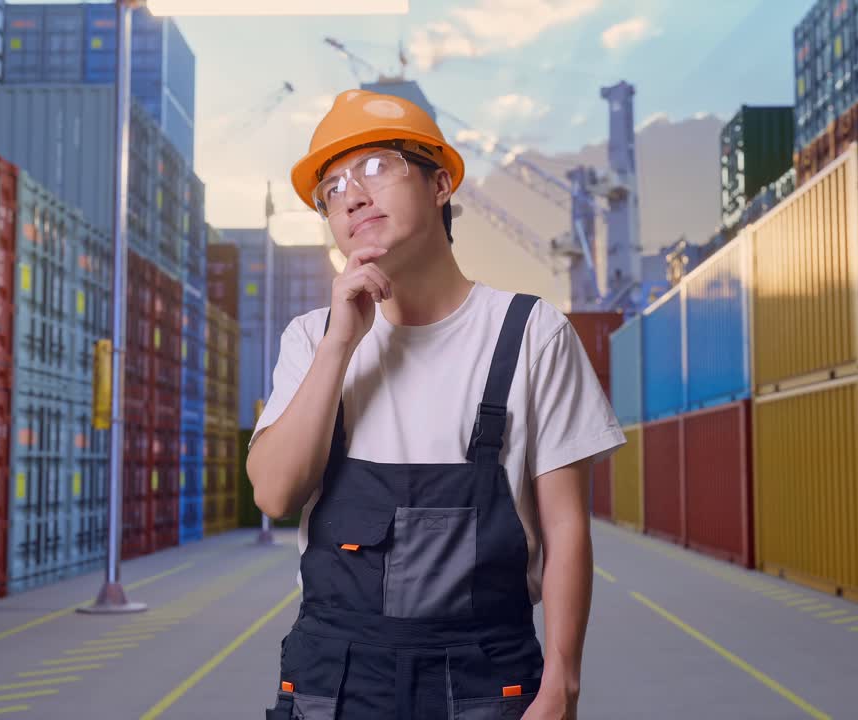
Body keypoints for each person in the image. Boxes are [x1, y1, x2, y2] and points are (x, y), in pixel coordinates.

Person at [248, 88, 626, 720]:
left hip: (487, 680)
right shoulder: (312, 338)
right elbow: (275, 495)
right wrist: (342, 343)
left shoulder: (531, 333)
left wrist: (561, 687)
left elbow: (565, 530)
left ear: (441, 182)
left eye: (375, 167)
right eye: (332, 188)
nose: (352, 195)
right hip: (335, 683)